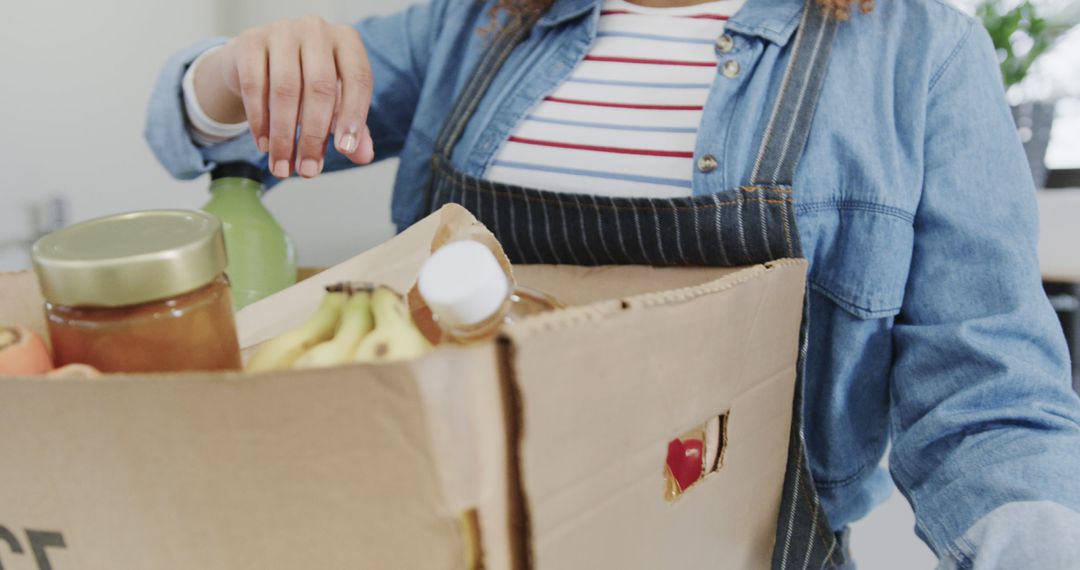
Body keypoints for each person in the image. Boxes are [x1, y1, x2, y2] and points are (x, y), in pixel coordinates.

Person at [145, 0, 1080, 566]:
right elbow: (214, 133)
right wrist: (234, 75)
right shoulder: (472, 25)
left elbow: (985, 396)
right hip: (448, 533)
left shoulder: (919, 55)